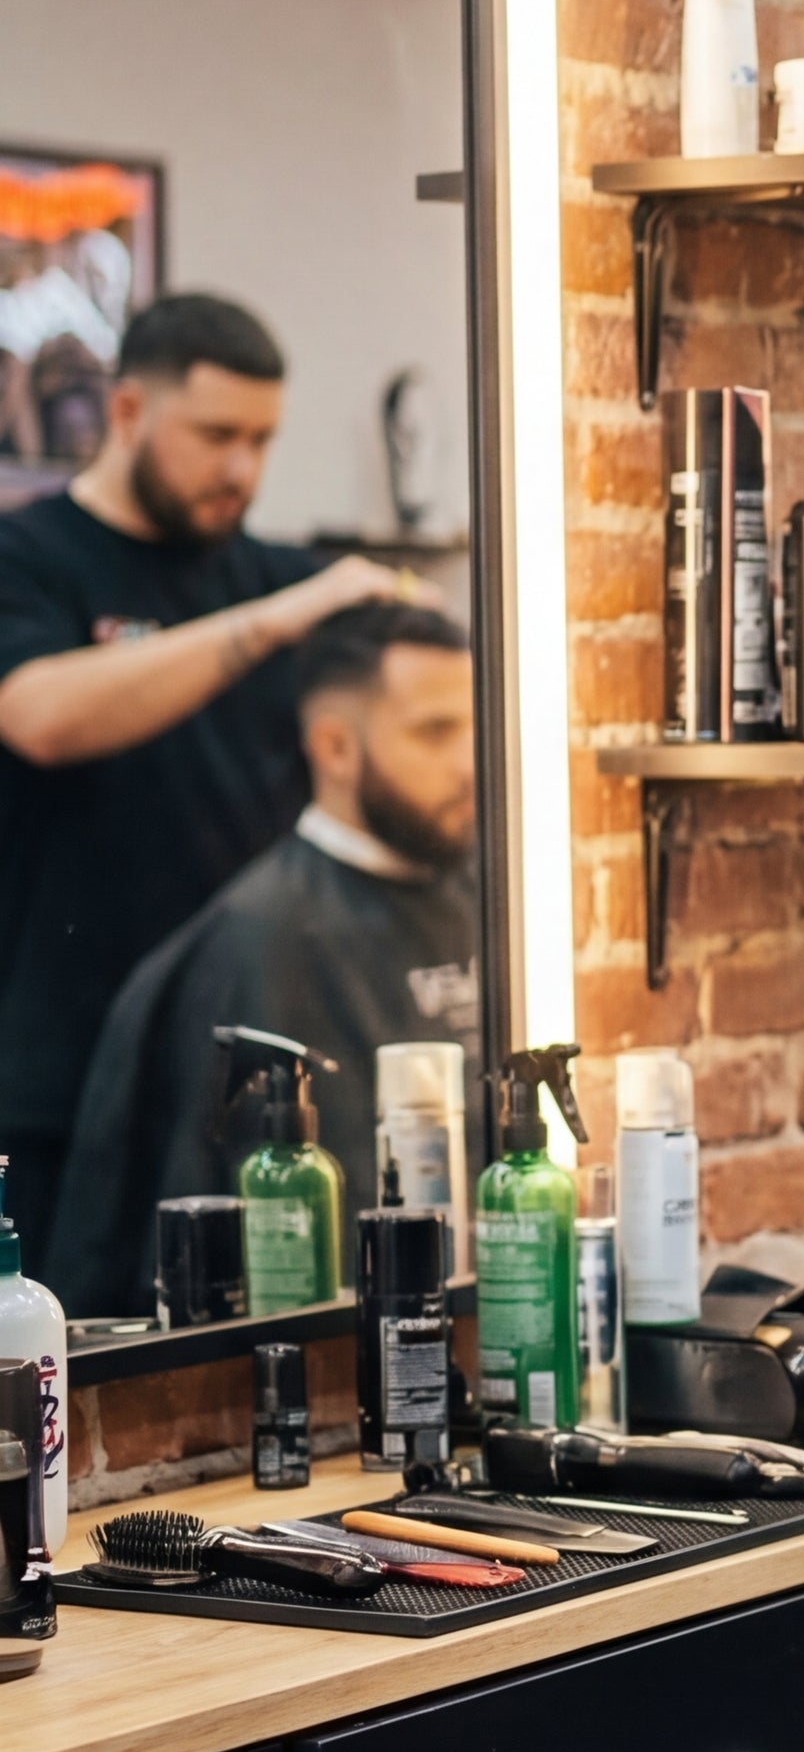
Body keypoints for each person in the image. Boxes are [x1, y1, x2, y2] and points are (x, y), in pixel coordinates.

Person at [0, 293, 420, 1255]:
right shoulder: (26, 558)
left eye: (263, 439)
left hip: (247, 1070)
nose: (243, 470)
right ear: (128, 413)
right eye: (216, 434)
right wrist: (278, 620)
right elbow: (43, 717)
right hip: (58, 1072)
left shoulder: (281, 578)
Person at [51, 605, 482, 1314]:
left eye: (473, 726)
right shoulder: (249, 943)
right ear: (336, 747)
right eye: (434, 732)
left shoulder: (496, 894)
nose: (470, 762)